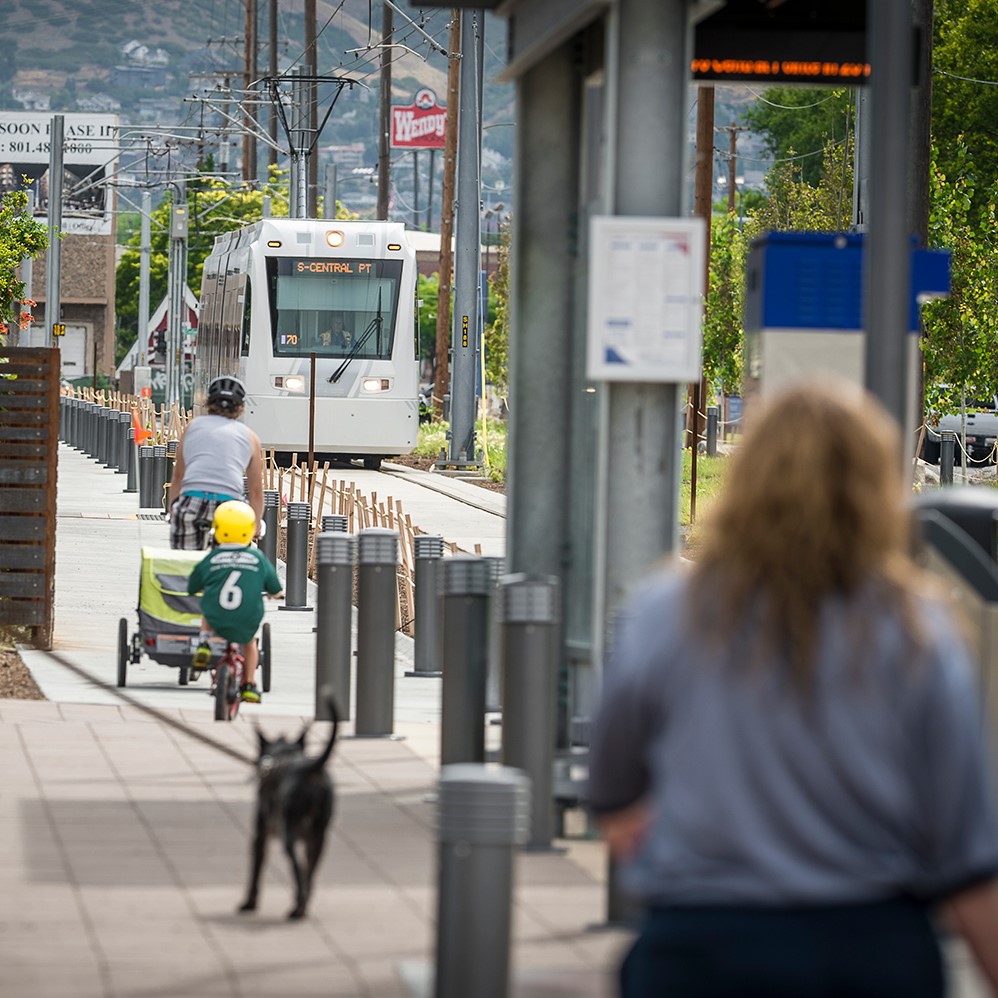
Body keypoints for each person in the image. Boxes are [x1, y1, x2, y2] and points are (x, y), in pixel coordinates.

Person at [588, 380, 998, 998]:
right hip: (872, 953)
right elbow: (965, 850)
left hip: (701, 951)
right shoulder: (918, 628)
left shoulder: (666, 611)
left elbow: (612, 791)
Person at [187, 500, 283, 703]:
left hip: (217, 614)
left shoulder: (213, 557)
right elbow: (274, 586)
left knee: (208, 604)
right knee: (249, 643)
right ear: (250, 530)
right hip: (246, 618)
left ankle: (204, 642)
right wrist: (276, 594)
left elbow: (193, 585)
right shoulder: (257, 558)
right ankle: (249, 684)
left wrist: (198, 588)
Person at [167, 375, 263, 550]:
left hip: (191, 502)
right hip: (230, 509)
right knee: (226, 564)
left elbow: (178, 476)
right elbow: (256, 491)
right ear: (240, 408)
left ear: (208, 402)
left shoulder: (192, 427)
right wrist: (255, 525)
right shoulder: (250, 437)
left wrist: (172, 511)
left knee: (184, 564)